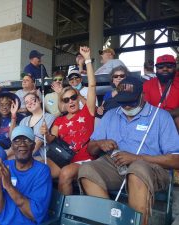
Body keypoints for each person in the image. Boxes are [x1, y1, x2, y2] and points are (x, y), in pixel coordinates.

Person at [78, 76, 179, 225]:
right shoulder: (111, 114)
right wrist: (100, 143)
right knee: (86, 170)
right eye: (122, 102)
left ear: (142, 96)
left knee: (137, 169)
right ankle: (109, 220)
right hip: (115, 165)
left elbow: (176, 160)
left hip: (151, 167)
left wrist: (137, 158)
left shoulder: (161, 117)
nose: (126, 107)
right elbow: (91, 149)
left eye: (131, 101)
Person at [41, 46, 96, 195]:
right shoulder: (59, 120)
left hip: (84, 161)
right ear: (63, 103)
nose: (71, 101)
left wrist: (87, 60)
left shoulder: (87, 112)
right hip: (63, 159)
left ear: (78, 98)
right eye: (66, 99)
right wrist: (45, 134)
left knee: (65, 173)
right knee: (34, 166)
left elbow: (92, 85)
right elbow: (51, 139)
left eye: (73, 97)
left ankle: (65, 214)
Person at [0, 125, 52, 225]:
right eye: (17, 140)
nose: (22, 144)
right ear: (12, 146)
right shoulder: (5, 166)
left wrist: (8, 186)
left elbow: (33, 215)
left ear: (33, 145)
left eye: (26, 140)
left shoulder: (42, 171)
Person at [11, 92, 55, 160]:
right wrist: (13, 115)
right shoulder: (24, 120)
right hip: (23, 152)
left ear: (39, 100)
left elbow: (39, 141)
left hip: (41, 155)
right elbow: (13, 137)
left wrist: (23, 158)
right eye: (26, 102)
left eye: (32, 99)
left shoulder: (49, 117)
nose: (30, 103)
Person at [143, 54, 179, 130]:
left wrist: (165, 115)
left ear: (175, 68)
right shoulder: (148, 84)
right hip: (153, 119)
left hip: (174, 119)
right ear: (156, 69)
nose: (165, 69)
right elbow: (145, 107)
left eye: (169, 66)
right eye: (160, 67)